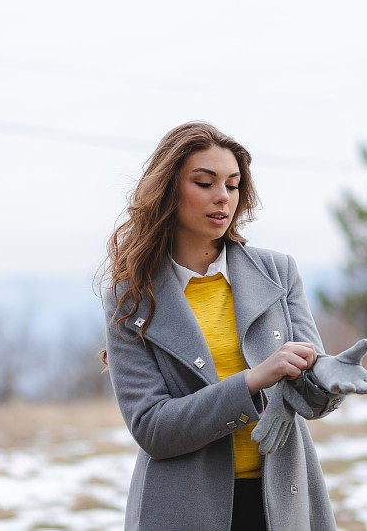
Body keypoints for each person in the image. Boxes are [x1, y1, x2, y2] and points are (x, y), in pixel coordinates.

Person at [97, 121, 339, 530]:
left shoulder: (278, 272)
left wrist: (332, 376)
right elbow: (153, 428)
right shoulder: (131, 297)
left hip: (285, 502)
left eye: (232, 184)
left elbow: (311, 397)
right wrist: (252, 381)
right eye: (205, 182)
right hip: (181, 510)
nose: (222, 198)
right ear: (168, 189)